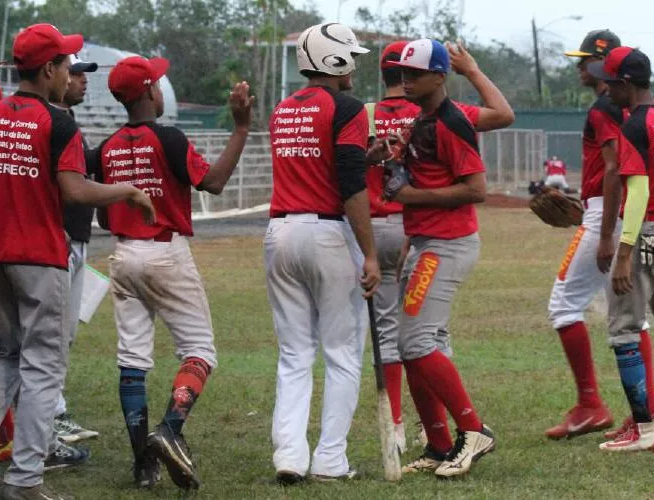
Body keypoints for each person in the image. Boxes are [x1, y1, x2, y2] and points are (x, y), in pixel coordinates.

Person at [0, 23, 154, 500]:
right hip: (40, 258)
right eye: (65, 66)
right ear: (51, 69)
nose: (69, 75)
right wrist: (129, 190)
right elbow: (75, 189)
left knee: (7, 356)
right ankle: (25, 481)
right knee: (43, 368)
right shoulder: (58, 123)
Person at [92, 55, 252, 490]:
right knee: (199, 351)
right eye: (158, 83)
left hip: (123, 255)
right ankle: (170, 430)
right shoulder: (170, 138)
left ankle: (144, 467)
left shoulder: (105, 147)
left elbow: (104, 217)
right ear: (147, 91)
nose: (161, 90)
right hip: (166, 252)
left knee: (132, 360)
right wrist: (240, 129)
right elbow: (213, 183)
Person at [366, 40, 514, 456]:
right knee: (416, 344)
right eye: (403, 73)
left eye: (415, 73)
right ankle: (438, 444)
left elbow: (476, 190)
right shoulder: (421, 119)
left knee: (413, 343)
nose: (406, 80)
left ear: (439, 76)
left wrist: (407, 196)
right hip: (424, 239)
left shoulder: (450, 121)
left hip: (445, 243)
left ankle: (471, 429)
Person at [266, 22, 381, 485]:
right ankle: (330, 459)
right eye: (350, 56)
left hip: (279, 233)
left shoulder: (282, 110)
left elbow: (321, 164)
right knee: (341, 353)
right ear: (334, 61)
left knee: (294, 354)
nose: (354, 64)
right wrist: (370, 253)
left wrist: (367, 157)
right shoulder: (348, 108)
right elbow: (351, 184)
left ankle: (289, 455)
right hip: (328, 234)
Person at [544, 31, 644, 440]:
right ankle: (643, 412)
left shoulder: (604, 107)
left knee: (563, 304)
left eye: (586, 59)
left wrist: (603, 234)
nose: (579, 66)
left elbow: (614, 170)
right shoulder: (627, 107)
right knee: (633, 317)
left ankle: (591, 404)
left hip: (609, 215)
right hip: (616, 212)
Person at [588, 47, 654, 451]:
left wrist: (624, 252)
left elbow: (640, 190)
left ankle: (645, 429)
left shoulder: (634, 125)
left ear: (625, 84)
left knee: (625, 329)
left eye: (609, 81)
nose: (605, 87)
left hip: (646, 232)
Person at [52, 53, 100, 445]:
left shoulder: (67, 121)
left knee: (64, 333)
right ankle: (52, 414)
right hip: (60, 239)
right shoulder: (56, 122)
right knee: (54, 333)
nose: (82, 80)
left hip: (75, 237)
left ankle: (54, 410)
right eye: (76, 73)